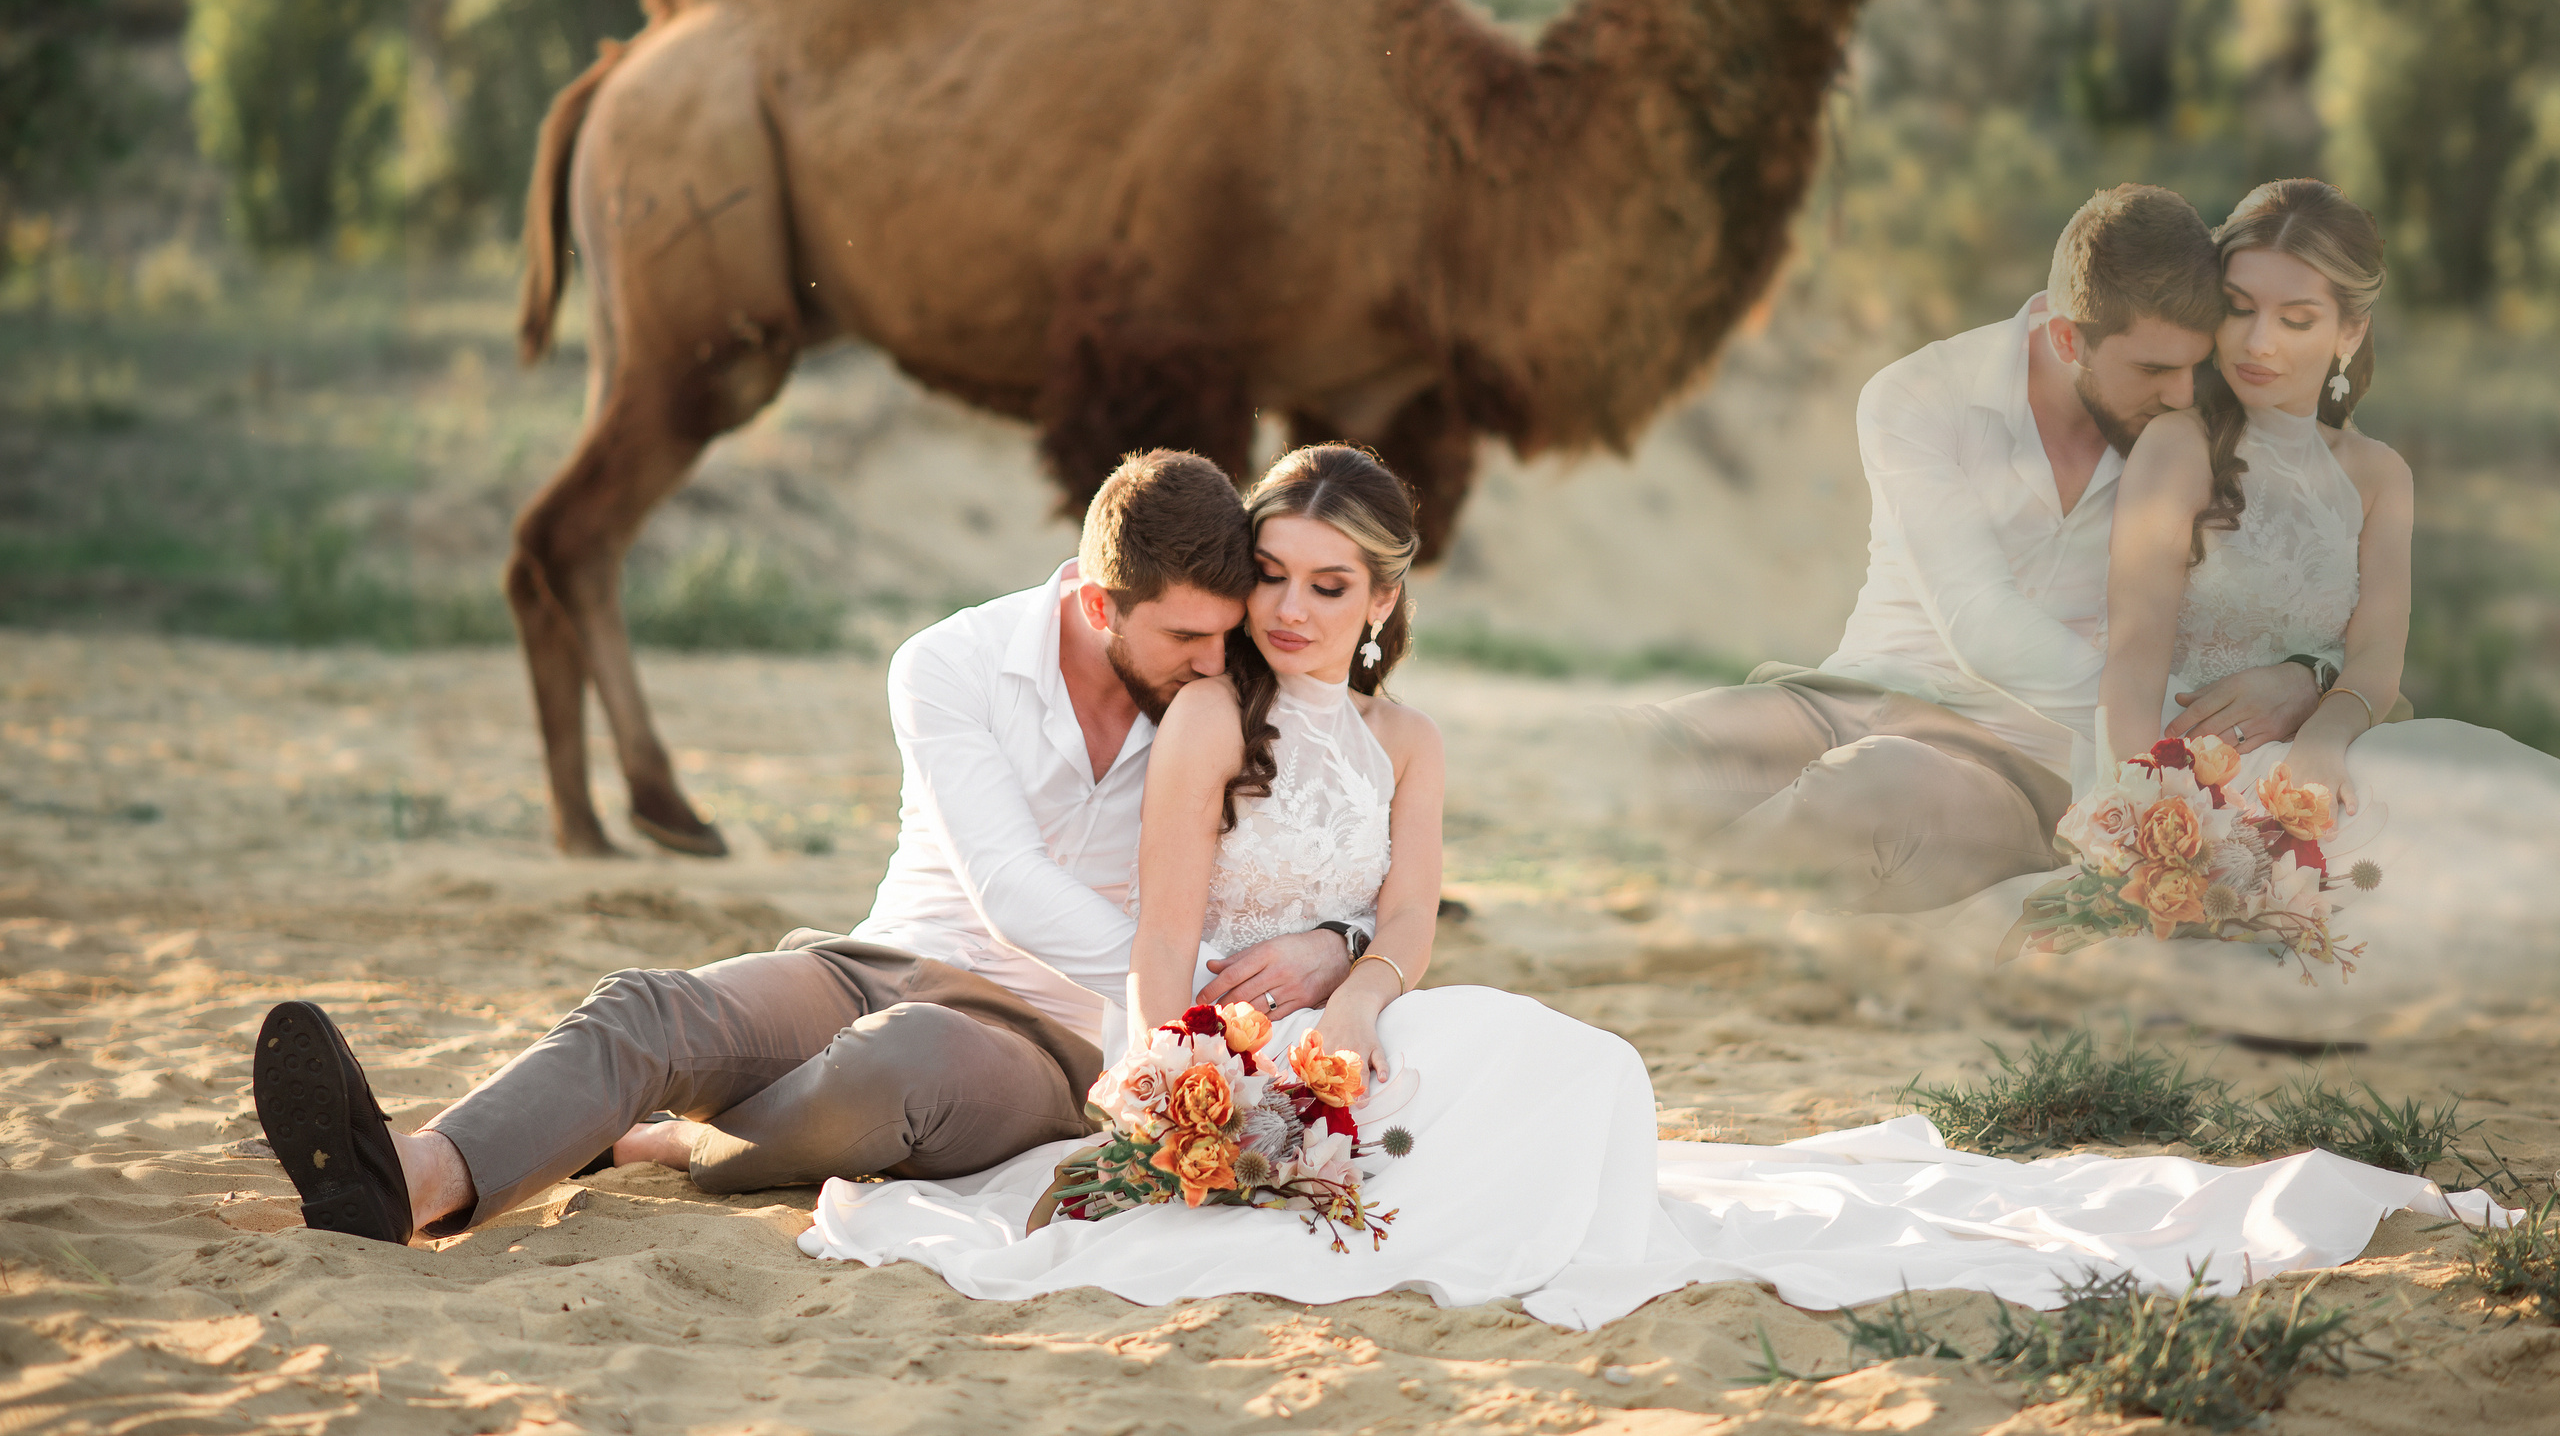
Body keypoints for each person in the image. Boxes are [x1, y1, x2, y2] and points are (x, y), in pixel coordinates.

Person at [793, 443, 2503, 1326]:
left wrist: (1362, 1001)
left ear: (1384, 599)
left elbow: (1404, 928)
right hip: (1217, 1039)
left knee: (1579, 1069)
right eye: (1278, 580)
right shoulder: (1199, 728)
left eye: (1334, 585)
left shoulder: (1410, 736)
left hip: (1370, 1018)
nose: (1297, 611)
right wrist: (1207, 1048)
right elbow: (1159, 946)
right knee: (1508, 1126)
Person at [253, 450, 1364, 1243]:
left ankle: (653, 1141)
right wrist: (1169, 971)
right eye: (1184, 635)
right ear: (1091, 601)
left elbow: (1352, 831)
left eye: (1224, 635)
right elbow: (1008, 884)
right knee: (650, 1006)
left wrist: (1332, 936)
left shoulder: (1227, 693)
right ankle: (415, 1176)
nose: (1215, 660)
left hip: (1053, 1034)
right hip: (875, 957)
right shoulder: (948, 663)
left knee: (899, 1062)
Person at [1638, 184, 2334, 911]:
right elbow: (1980, 619)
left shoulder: (2205, 441)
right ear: (2069, 340)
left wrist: (2307, 674)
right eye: (2154, 370)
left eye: (2195, 367)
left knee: (1873, 787)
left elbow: (2311, 595)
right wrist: (2156, 722)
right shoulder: (1916, 394)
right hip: (1847, 700)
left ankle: (1664, 927)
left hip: (2019, 764)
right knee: (1634, 744)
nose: (2182, 395)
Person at [1995, 178, 2560, 1038]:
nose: (2260, 343)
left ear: (2350, 331)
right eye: (2239, 307)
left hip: (2325, 757)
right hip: (2186, 765)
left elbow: (2377, 657)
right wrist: (2144, 807)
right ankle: (2216, 970)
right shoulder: (2177, 446)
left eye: (2297, 319)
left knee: (2508, 804)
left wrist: (2328, 735)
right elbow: (2137, 649)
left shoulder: (2380, 478)